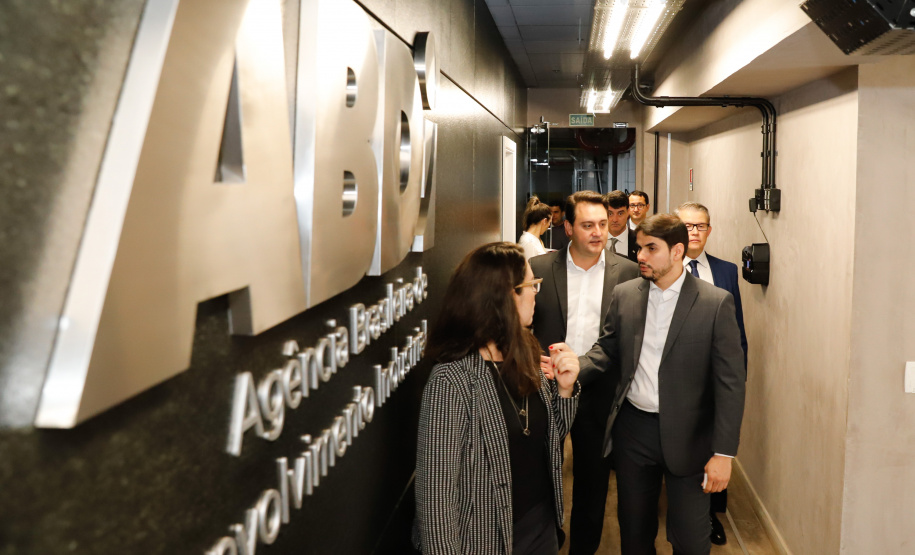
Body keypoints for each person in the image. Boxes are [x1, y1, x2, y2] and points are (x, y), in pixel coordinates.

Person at [574, 214, 746, 555]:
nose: (640, 256)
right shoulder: (625, 294)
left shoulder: (715, 303)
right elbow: (606, 349)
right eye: (639, 248)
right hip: (633, 431)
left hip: (691, 436)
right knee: (634, 534)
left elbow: (730, 383)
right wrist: (574, 367)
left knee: (690, 540)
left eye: (651, 248)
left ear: (677, 251)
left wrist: (724, 453)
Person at [414, 242, 581, 554]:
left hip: (541, 525)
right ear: (507, 296)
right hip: (486, 539)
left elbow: (547, 440)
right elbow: (436, 501)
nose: (536, 293)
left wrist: (565, 390)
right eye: (531, 284)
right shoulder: (451, 381)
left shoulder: (526, 354)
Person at [529, 190, 639, 554]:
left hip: (599, 391)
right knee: (540, 474)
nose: (598, 233)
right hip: (545, 389)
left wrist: (582, 369)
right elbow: (523, 324)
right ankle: (546, 541)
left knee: (593, 484)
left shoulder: (629, 273)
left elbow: (625, 339)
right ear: (567, 228)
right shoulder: (539, 269)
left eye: (603, 225)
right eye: (588, 225)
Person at [676, 202, 749, 545]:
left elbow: (737, 329)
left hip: (715, 376)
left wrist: (738, 374)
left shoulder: (726, 271)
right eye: (687, 226)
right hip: (675, 377)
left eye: (700, 226)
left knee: (716, 445)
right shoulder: (662, 268)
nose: (694, 232)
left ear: (709, 230)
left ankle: (710, 516)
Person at [604, 191, 639, 262]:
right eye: (610, 214)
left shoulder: (639, 240)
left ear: (628, 212)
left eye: (620, 214)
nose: (615, 219)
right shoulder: (594, 240)